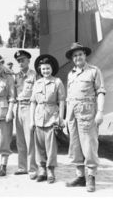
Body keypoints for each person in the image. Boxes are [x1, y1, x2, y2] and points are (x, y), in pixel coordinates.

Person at [64, 42, 106, 192]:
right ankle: (80, 177)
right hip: (72, 116)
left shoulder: (94, 71)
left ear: (85, 55)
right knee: (75, 147)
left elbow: (100, 92)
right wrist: (65, 120)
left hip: (88, 114)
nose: (77, 57)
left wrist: (100, 112)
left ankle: (91, 178)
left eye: (80, 54)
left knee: (89, 147)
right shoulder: (71, 74)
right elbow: (69, 98)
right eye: (74, 55)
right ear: (72, 59)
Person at [30, 54, 65, 183]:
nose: (45, 71)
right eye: (43, 69)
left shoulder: (57, 82)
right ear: (40, 70)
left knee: (51, 147)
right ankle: (42, 170)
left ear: (52, 69)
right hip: (39, 118)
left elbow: (61, 101)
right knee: (39, 146)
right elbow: (33, 102)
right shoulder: (37, 83)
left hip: (52, 118)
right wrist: (32, 120)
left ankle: (50, 171)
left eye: (48, 68)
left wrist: (60, 119)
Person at [13, 50, 38, 178]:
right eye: (19, 61)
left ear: (29, 60)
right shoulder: (16, 76)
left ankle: (32, 168)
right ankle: (22, 167)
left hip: (29, 107)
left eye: (23, 60)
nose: (21, 62)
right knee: (20, 140)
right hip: (18, 107)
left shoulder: (34, 75)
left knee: (30, 140)